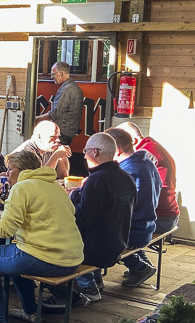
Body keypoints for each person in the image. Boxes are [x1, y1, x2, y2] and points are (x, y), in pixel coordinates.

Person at [0, 149, 84, 323]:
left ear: (23, 170)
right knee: (15, 254)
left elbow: (3, 231)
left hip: (48, 259)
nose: (6, 174)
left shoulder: (21, 188)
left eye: (10, 169)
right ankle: (30, 312)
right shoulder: (55, 186)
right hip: (72, 258)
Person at [44, 132, 134, 308]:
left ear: (95, 152)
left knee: (45, 251)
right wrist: (79, 193)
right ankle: (95, 280)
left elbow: (82, 220)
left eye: (85, 151)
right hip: (118, 243)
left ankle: (80, 291)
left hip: (95, 250)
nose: (84, 156)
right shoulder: (125, 177)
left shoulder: (97, 180)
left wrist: (69, 200)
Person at [106, 127, 161, 287]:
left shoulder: (127, 171)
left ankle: (89, 284)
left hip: (134, 231)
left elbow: (119, 208)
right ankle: (142, 264)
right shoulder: (146, 162)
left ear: (116, 150)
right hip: (147, 225)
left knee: (94, 234)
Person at [116, 121, 179, 236]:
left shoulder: (143, 156)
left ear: (134, 141)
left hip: (161, 218)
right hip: (168, 214)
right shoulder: (152, 145)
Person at [35, 61, 84, 146]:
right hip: (69, 132)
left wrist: (35, 120)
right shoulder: (74, 87)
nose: (51, 77)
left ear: (62, 74)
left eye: (53, 74)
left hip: (61, 132)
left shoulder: (66, 90)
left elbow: (54, 114)